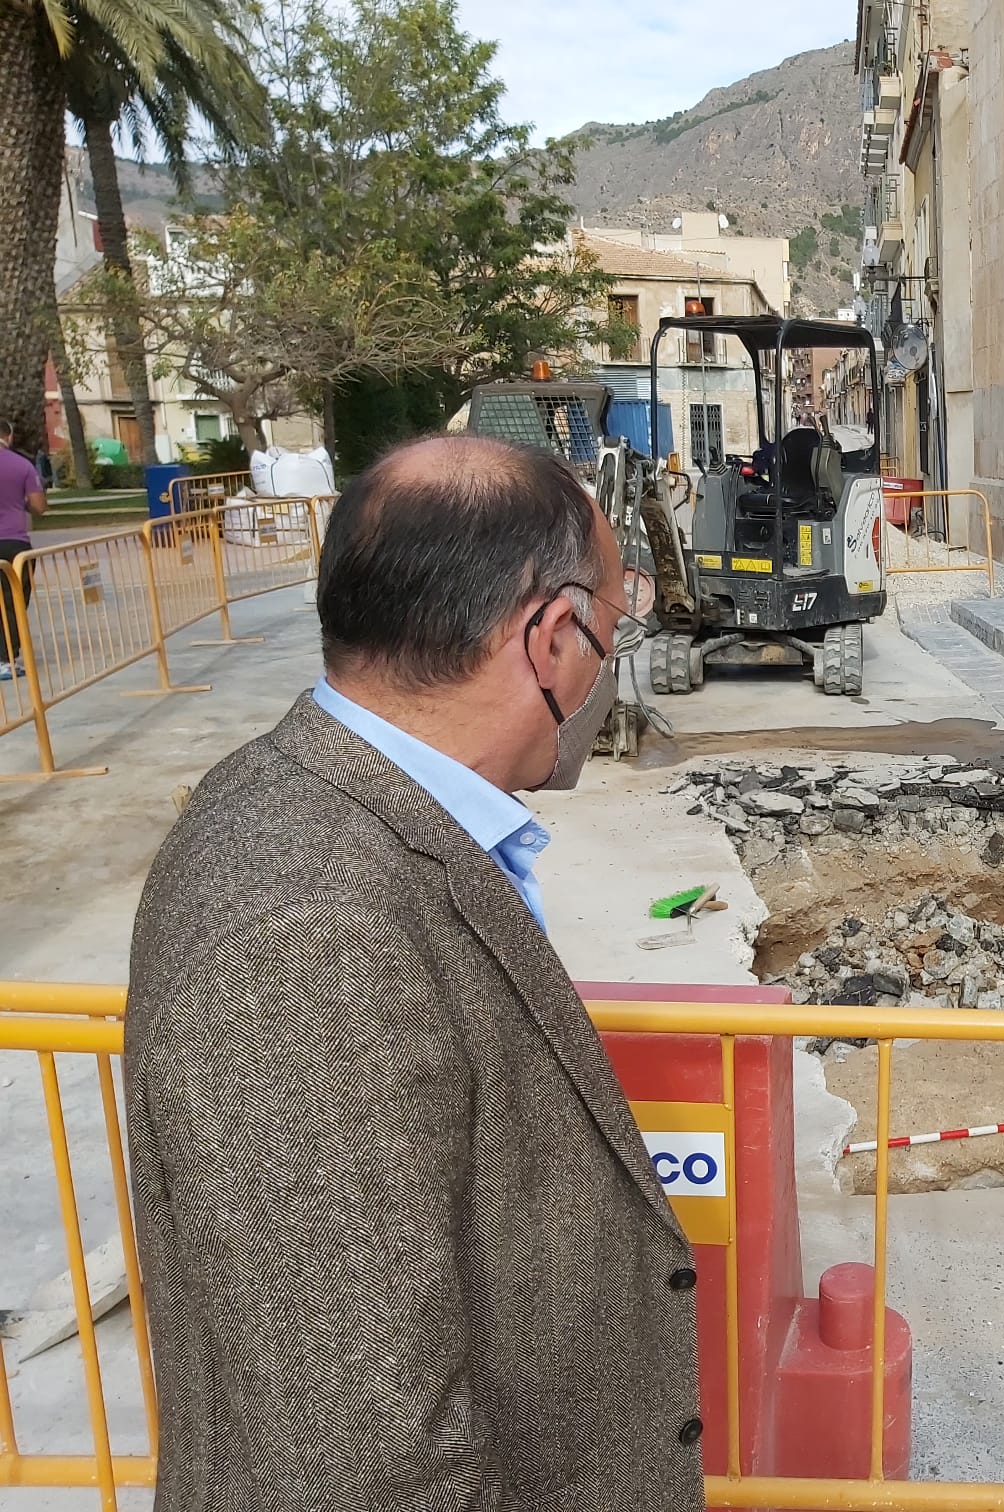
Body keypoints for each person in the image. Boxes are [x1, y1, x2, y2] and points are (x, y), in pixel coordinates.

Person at [124, 435, 705, 1510]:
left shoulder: (377, 825)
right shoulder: (309, 929)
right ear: (548, 638)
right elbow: (359, 1458)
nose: (604, 675)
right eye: (610, 634)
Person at [0, 418, 50, 679]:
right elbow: (40, 506)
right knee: (12, 601)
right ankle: (6, 658)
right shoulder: (22, 465)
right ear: (8, 436)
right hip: (13, 543)